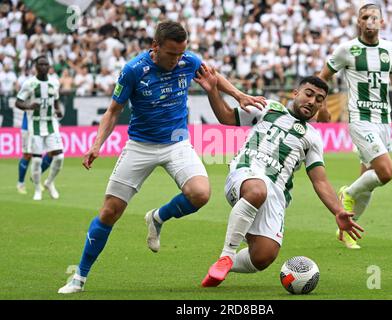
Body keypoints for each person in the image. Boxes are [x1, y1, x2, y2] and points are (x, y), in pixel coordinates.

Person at [58, 20, 265, 294]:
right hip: (140, 146)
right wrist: (97, 144)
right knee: (110, 211)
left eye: (181, 53)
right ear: (155, 47)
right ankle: (79, 277)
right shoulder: (133, 70)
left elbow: (213, 75)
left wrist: (239, 94)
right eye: (171, 54)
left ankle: (157, 217)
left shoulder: (188, 61)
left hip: (177, 143)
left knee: (201, 194)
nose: (177, 60)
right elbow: (113, 110)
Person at [194, 65, 364, 287]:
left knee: (263, 256)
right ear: (296, 93)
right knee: (257, 190)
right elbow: (227, 117)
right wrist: (212, 91)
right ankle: (227, 253)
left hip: (276, 193)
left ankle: (223, 265)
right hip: (246, 173)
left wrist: (338, 211)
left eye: (319, 99)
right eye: (309, 94)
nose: (312, 101)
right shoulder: (269, 108)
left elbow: (319, 180)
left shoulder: (312, 138)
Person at [316, 3, 392, 249]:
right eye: (364, 17)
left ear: (382, 22)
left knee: (369, 180)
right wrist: (322, 106)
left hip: (384, 120)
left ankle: (347, 232)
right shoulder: (347, 49)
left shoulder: (391, 48)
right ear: (358, 21)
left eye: (374, 17)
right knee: (386, 173)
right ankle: (348, 194)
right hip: (360, 118)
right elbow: (322, 77)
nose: (369, 21)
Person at [15, 55, 64, 201]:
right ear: (36, 67)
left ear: (49, 67)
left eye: (46, 65)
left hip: (51, 122)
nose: (44, 67)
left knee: (59, 156)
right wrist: (29, 106)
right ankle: (37, 189)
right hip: (35, 124)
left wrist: (58, 109)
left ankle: (49, 182)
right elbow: (18, 102)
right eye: (41, 65)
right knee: (36, 160)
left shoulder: (55, 83)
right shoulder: (29, 83)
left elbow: (55, 100)